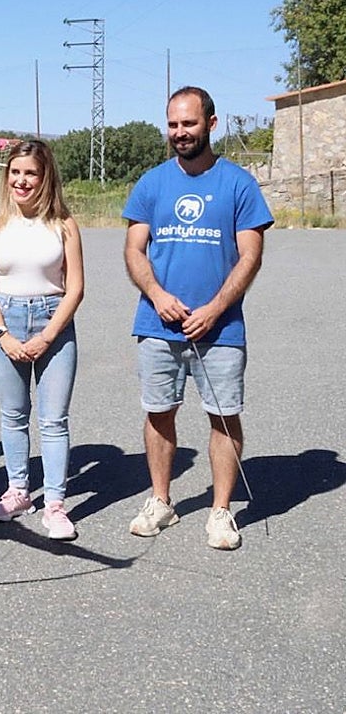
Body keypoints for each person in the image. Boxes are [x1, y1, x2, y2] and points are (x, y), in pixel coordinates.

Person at [122, 86, 273, 551]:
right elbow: (134, 249)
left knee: (223, 418)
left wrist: (214, 309)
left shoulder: (238, 184)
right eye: (173, 124)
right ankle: (161, 501)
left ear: (211, 123)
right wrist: (157, 294)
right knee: (159, 413)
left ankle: (221, 511)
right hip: (158, 325)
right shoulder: (151, 184)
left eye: (188, 123)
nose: (179, 133)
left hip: (221, 328)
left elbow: (250, 255)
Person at [0, 140, 84, 541]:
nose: (22, 181)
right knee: (14, 415)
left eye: (31, 173)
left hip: (53, 322)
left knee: (54, 420)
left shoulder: (63, 224)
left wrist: (48, 335)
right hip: (7, 320)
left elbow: (75, 288)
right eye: (15, 172)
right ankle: (18, 492)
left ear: (45, 177)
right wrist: (2, 334)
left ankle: (55, 503)